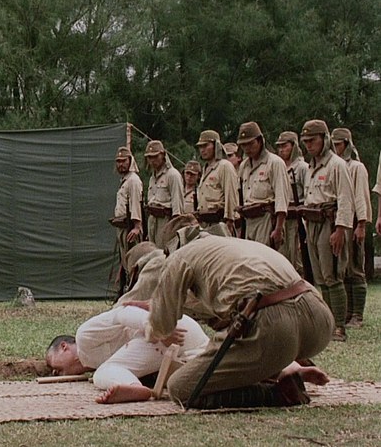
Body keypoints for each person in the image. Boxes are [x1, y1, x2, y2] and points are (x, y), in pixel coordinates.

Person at [142, 214, 333, 409]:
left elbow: (161, 325)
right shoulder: (232, 245)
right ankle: (284, 368)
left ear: (171, 246)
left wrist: (149, 331)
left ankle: (276, 394)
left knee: (181, 387)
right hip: (319, 319)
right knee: (242, 348)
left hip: (274, 326)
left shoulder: (179, 257)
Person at [45, 306, 209, 404]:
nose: (54, 372)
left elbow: (122, 313)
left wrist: (155, 328)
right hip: (191, 350)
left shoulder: (83, 337)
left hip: (171, 331)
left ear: (64, 347)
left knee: (102, 373)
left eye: (51, 363)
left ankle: (134, 387)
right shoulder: (95, 362)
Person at [299, 120, 354, 342]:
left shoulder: (337, 165)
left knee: (332, 275)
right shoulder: (310, 167)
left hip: (329, 223)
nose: (308, 145)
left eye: (312, 140)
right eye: (305, 141)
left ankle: (339, 325)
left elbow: (345, 199)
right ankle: (329, 323)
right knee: (320, 277)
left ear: (325, 138)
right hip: (312, 223)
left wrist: (340, 230)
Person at [330, 128, 370, 329]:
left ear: (346, 144)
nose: (335, 148)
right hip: (340, 220)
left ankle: (357, 315)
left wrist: (361, 224)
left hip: (353, 221)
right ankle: (346, 312)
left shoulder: (356, 167)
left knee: (355, 267)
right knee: (342, 268)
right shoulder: (334, 166)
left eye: (338, 144)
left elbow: (361, 196)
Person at [235, 121, 290, 248]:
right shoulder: (244, 166)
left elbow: (281, 198)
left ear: (260, 141)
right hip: (248, 220)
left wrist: (279, 228)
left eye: (250, 143)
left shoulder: (274, 163)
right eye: (243, 145)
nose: (247, 148)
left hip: (266, 219)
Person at [275, 131, 309, 275]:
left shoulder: (302, 167)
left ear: (294, 146)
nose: (281, 149)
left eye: (285, 146)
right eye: (279, 146)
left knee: (298, 260)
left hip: (298, 218)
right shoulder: (279, 166)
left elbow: (308, 196)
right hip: (283, 218)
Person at [109, 146, 143, 288]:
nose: (121, 164)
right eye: (118, 161)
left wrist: (137, 226)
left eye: (124, 161)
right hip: (122, 227)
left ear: (130, 161)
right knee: (125, 263)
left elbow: (136, 203)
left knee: (133, 264)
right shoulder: (124, 180)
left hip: (130, 228)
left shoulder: (133, 180)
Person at [195, 130, 239, 233]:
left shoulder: (224, 166)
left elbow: (230, 194)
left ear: (216, 145)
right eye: (200, 147)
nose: (202, 150)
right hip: (205, 222)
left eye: (206, 145)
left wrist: (230, 219)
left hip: (220, 222)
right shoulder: (205, 169)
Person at [144, 140, 183, 246]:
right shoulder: (152, 178)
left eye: (155, 156)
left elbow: (177, 205)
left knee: (165, 251)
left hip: (166, 220)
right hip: (153, 220)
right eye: (149, 157)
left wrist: (174, 228)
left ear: (163, 155)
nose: (152, 160)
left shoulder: (173, 175)